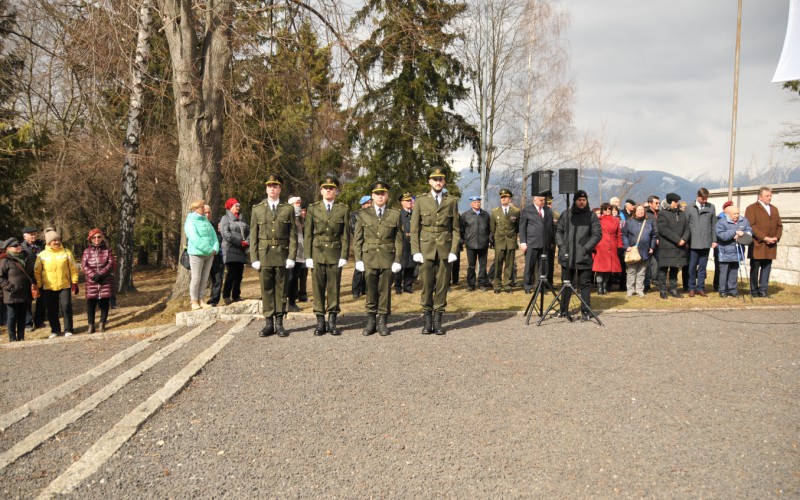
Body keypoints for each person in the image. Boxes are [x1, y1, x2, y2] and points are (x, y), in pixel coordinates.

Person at [410, 167, 461, 335]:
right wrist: (415, 250)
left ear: (444, 181)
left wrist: (454, 249)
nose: (438, 182)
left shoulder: (451, 201)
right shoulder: (420, 201)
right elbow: (415, 228)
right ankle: (427, 320)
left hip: (445, 249)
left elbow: (455, 229)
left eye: (441, 179)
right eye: (435, 179)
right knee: (426, 285)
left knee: (442, 285)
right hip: (426, 248)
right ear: (429, 181)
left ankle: (438, 320)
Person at [354, 181, 404, 336]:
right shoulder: (363, 214)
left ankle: (382, 321)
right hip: (369, 257)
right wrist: (358, 260)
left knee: (385, 291)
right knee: (370, 290)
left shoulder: (395, 214)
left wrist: (397, 260)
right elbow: (357, 239)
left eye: (383, 193)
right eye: (377, 193)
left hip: (387, 257)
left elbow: (399, 239)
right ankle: (370, 321)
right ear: (372, 196)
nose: (380, 196)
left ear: (387, 196)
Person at [250, 174, 297, 337]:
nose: (272, 188)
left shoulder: (288, 209)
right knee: (267, 288)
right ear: (266, 188)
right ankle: (268, 323)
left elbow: (293, 235)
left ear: (280, 189)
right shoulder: (257, 209)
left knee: (281, 289)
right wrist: (254, 258)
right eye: (270, 186)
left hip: (282, 253)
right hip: (264, 254)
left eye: (275, 186)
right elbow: (253, 235)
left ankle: (280, 322)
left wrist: (292, 256)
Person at [305, 176, 350, 336]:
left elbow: (346, 235)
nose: (329, 190)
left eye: (332, 188)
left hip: (335, 253)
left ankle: (332, 321)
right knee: (317, 288)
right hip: (317, 252)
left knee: (334, 288)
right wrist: (308, 256)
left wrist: (344, 255)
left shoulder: (343, 209)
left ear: (336, 191)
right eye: (326, 188)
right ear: (321, 190)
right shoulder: (313, 208)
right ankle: (320, 321)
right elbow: (308, 233)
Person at [555, 190, 602, 321]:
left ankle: (585, 311)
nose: (581, 202)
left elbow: (597, 234)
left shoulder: (592, 216)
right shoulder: (566, 214)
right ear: (574, 201)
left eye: (584, 200)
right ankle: (563, 310)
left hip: (584, 255)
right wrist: (562, 247)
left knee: (585, 284)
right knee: (566, 283)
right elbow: (558, 232)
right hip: (567, 254)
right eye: (579, 199)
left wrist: (586, 248)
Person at [34, 228, 79, 338]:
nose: (57, 242)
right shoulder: (42, 255)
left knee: (66, 306)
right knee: (51, 309)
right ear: (49, 242)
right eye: (54, 240)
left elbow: (73, 268)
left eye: (58, 240)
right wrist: (39, 286)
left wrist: (74, 282)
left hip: (64, 285)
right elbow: (37, 271)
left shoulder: (66, 252)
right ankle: (55, 330)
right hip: (48, 287)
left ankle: (68, 329)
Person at [744, 186, 782, 298]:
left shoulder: (774, 209)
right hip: (758, 244)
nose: (770, 198)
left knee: (767, 267)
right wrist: (764, 237)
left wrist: (776, 237)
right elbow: (751, 226)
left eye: (770, 196)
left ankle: (763, 290)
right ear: (760, 196)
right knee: (755, 267)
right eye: (767, 196)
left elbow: (779, 225)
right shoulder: (751, 208)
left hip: (771, 244)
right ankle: (754, 290)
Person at [184, 200, 219, 310]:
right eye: (202, 207)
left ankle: (201, 299)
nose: (204, 209)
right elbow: (194, 238)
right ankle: (194, 301)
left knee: (204, 279)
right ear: (196, 208)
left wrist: (215, 248)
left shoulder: (206, 221)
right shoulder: (190, 221)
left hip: (209, 255)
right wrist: (209, 249)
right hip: (196, 254)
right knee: (196, 278)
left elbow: (213, 235)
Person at [81, 228, 116, 333]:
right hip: (92, 282)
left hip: (105, 280)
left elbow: (111, 263)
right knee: (91, 304)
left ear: (102, 238)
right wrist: (93, 275)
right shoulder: (86, 252)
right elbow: (84, 265)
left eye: (99, 237)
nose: (97, 239)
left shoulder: (108, 250)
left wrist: (101, 274)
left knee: (104, 303)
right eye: (94, 237)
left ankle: (102, 324)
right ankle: (91, 325)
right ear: (90, 239)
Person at [0, 238, 36, 341]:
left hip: (25, 292)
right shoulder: (4, 260)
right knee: (12, 316)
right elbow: (1, 277)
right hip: (11, 294)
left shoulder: (26, 258)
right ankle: (12, 338)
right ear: (8, 248)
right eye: (15, 246)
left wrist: (33, 284)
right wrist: (10, 287)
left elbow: (31, 274)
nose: (18, 247)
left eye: (19, 245)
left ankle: (21, 337)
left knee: (22, 316)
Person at [656, 193, 690, 299]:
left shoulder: (682, 214)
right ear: (670, 202)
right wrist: (677, 240)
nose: (677, 204)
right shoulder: (662, 213)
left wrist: (684, 239)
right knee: (663, 270)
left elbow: (687, 228)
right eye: (675, 202)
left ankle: (673, 289)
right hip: (667, 246)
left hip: (679, 247)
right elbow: (663, 230)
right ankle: (662, 290)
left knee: (675, 268)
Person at [519, 194, 555, 294]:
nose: (543, 202)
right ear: (535, 200)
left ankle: (540, 286)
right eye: (541, 200)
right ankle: (527, 286)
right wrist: (523, 242)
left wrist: (551, 241)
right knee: (529, 265)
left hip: (545, 243)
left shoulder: (548, 210)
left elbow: (551, 227)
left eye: (544, 200)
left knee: (543, 267)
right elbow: (522, 227)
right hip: (531, 242)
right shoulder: (527, 210)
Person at [685, 188, 717, 297]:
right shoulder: (689, 208)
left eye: (706, 198)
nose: (705, 200)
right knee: (692, 267)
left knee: (703, 267)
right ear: (697, 196)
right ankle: (691, 288)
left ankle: (700, 288)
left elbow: (714, 225)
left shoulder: (711, 207)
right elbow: (686, 226)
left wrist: (714, 240)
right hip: (693, 243)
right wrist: (686, 241)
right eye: (703, 198)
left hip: (706, 242)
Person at [715, 205, 752, 298]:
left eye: (738, 213)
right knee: (724, 271)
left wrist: (742, 234)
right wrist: (734, 232)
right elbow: (721, 235)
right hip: (725, 251)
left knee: (734, 271)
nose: (736, 215)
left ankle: (732, 289)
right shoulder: (721, 222)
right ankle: (722, 290)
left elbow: (749, 232)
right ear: (728, 214)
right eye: (734, 213)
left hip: (738, 251)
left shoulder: (744, 220)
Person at [219, 197, 250, 305]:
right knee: (231, 273)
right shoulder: (225, 218)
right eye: (235, 205)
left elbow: (249, 231)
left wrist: (247, 241)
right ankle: (226, 295)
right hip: (230, 250)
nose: (238, 207)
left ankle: (236, 295)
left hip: (241, 250)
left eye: (238, 206)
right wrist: (239, 242)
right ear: (229, 207)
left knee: (239, 274)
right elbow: (225, 234)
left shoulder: (242, 218)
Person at [622, 204, 657, 297]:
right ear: (635, 211)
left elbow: (653, 236)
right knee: (631, 271)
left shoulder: (649, 222)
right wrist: (627, 246)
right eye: (639, 210)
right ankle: (630, 290)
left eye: (642, 210)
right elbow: (624, 235)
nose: (641, 211)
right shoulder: (629, 222)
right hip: (632, 250)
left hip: (645, 250)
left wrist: (652, 247)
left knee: (642, 271)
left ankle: (639, 289)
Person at [490, 188, 520, 293]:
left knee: (509, 264)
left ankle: (507, 284)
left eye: (505, 197)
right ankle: (497, 285)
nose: (503, 199)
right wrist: (494, 240)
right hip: (499, 241)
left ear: (509, 199)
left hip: (511, 241)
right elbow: (492, 228)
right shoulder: (494, 212)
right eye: (502, 197)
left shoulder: (516, 211)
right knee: (498, 264)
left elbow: (517, 227)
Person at [459, 195, 491, 291]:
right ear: (471, 203)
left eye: (478, 202)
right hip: (471, 244)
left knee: (483, 265)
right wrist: (464, 240)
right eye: (475, 202)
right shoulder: (465, 215)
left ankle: (482, 283)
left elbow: (490, 229)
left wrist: (489, 240)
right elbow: (461, 229)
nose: (477, 204)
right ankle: (470, 284)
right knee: (471, 266)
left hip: (483, 244)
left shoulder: (486, 215)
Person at [592, 203, 623, 295]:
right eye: (605, 209)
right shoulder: (598, 220)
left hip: (612, 246)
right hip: (601, 246)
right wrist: (594, 246)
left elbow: (619, 234)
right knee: (600, 269)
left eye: (609, 209)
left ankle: (605, 286)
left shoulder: (616, 220)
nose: (608, 211)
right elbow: (594, 234)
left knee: (609, 268)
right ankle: (599, 287)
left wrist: (619, 245)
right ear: (602, 210)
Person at [21, 227, 46, 330]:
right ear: (24, 236)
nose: (33, 236)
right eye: (30, 234)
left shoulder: (41, 245)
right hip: (28, 277)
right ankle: (28, 323)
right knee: (27, 301)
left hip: (42, 276)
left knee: (42, 299)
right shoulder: (22, 247)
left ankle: (39, 321)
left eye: (34, 234)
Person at [286, 197, 307, 312]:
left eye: (299, 203)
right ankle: (287, 302)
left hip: (300, 251)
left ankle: (293, 302)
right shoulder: (288, 217)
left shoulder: (300, 219)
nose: (299, 205)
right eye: (296, 203)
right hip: (290, 251)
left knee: (295, 278)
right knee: (289, 277)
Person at [394, 192, 416, 294]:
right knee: (400, 266)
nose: (409, 202)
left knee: (411, 265)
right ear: (401, 202)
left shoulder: (415, 213)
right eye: (407, 201)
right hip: (402, 243)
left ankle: (408, 286)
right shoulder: (398, 214)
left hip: (413, 243)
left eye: (410, 200)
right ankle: (398, 286)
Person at [351, 195, 371, 299]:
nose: (369, 205)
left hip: (370, 244)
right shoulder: (355, 214)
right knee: (359, 268)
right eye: (367, 203)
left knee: (368, 269)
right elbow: (354, 229)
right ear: (363, 204)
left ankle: (366, 289)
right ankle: (356, 290)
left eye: (370, 203)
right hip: (360, 243)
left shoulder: (373, 214)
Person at [204, 204, 225, 307]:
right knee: (200, 279)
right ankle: (198, 300)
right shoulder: (196, 225)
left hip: (214, 255)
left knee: (217, 277)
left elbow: (217, 239)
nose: (207, 214)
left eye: (209, 212)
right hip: (202, 255)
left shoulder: (213, 225)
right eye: (205, 212)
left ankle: (214, 300)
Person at [713, 200, 734, 291]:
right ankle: (717, 284)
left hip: (730, 246)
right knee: (719, 266)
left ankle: (727, 285)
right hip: (719, 245)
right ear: (724, 209)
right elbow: (715, 232)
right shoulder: (718, 218)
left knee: (730, 267)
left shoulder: (733, 219)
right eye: (729, 208)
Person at [643, 195, 661, 291]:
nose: (658, 205)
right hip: (649, 241)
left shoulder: (660, 213)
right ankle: (646, 284)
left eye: (659, 203)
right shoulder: (645, 213)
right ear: (650, 203)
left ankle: (655, 279)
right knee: (647, 263)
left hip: (659, 242)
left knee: (657, 262)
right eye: (656, 203)